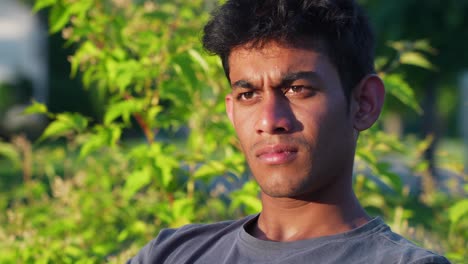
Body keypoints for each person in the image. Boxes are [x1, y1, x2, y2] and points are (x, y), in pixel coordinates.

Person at [128, 0, 450, 263]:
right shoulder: (171, 254)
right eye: (248, 94)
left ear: (364, 103)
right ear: (231, 111)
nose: (269, 120)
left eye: (297, 89)